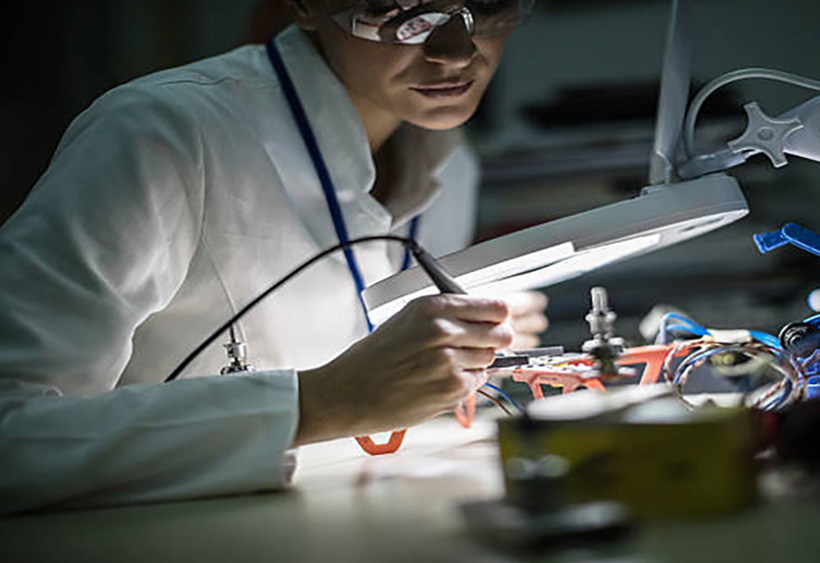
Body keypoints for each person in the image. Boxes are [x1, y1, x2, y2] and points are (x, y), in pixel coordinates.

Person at [0, 0, 546, 516]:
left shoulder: (450, 164)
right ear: (304, 5)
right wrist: (316, 404)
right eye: (395, 10)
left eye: (490, 4)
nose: (454, 51)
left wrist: (456, 350)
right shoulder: (161, 133)